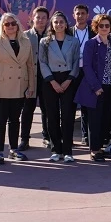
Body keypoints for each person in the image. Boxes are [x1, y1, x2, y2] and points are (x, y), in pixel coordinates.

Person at [0, 13, 35, 164]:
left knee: (15, 120)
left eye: (13, 23)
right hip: (1, 88)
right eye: (7, 24)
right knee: (0, 120)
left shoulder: (26, 42)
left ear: (18, 25)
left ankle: (14, 149)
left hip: (20, 87)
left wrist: (31, 86)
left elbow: (30, 66)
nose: (11, 26)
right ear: (2, 27)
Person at [74, 13, 111, 162]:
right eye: (101, 25)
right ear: (96, 27)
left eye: (107, 25)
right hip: (96, 88)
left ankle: (100, 148)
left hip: (110, 86)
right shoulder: (91, 43)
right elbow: (87, 66)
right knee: (95, 120)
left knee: (105, 119)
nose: (104, 28)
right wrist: (96, 86)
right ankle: (94, 150)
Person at [38, 11, 81, 162]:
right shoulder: (45, 41)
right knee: (52, 116)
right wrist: (52, 81)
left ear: (66, 24)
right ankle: (56, 150)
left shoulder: (74, 41)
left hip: (68, 79)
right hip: (51, 80)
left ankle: (68, 151)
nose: (58, 25)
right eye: (55, 22)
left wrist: (69, 80)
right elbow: (42, 62)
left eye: (61, 22)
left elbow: (76, 62)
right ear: (52, 24)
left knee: (68, 116)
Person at [21, 6, 49, 150]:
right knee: (27, 110)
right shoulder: (24, 36)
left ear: (47, 20)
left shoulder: (51, 36)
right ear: (32, 18)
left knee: (47, 109)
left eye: (44, 18)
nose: (40, 20)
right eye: (38, 17)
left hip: (46, 79)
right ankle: (24, 139)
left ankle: (47, 137)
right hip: (29, 79)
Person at [68, 4, 93, 146]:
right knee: (70, 105)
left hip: (87, 71)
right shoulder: (68, 32)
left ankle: (86, 136)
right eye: (78, 13)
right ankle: (68, 137)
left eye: (83, 13)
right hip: (71, 71)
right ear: (74, 15)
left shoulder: (93, 32)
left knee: (86, 104)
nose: (80, 16)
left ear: (87, 15)